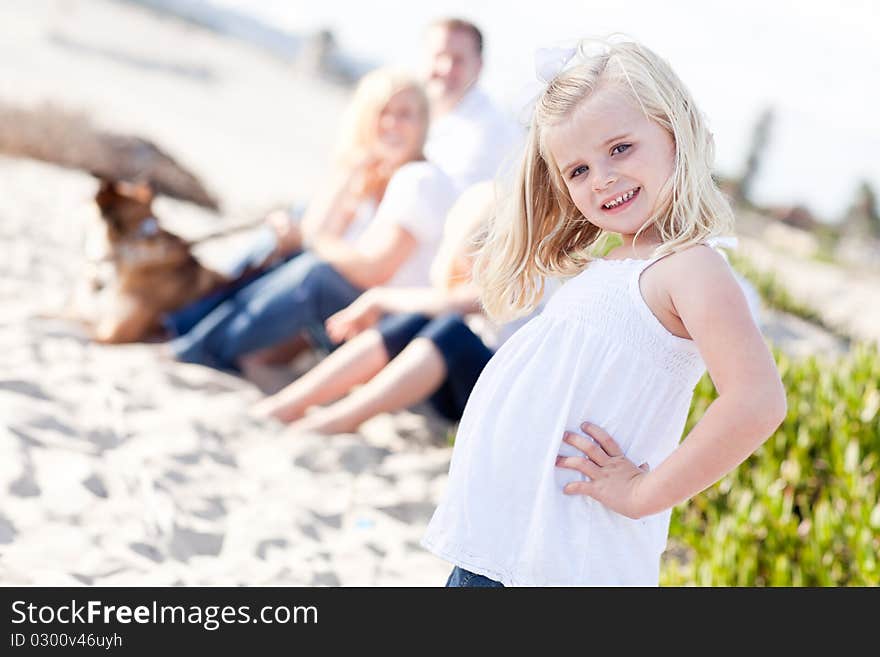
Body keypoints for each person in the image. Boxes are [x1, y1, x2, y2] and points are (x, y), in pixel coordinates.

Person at [420, 38, 787, 587]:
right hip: (509, 543)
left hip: (564, 557)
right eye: (578, 171)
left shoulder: (691, 267)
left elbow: (757, 401)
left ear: (674, 132)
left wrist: (644, 492)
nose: (603, 179)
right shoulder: (614, 262)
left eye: (620, 149)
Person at [167, 69, 457, 372]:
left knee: (316, 274)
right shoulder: (375, 174)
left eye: (405, 114)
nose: (391, 123)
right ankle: (179, 324)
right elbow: (314, 231)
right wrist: (351, 173)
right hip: (349, 312)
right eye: (382, 112)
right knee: (279, 237)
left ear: (423, 123)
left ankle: (201, 349)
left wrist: (311, 239)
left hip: (388, 325)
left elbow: (373, 269)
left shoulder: (421, 180)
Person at [250, 182, 540, 433]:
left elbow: (456, 302)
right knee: (414, 321)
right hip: (461, 388)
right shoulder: (480, 276)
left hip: (504, 405)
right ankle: (289, 403)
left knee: (450, 332)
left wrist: (378, 298)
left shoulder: (529, 280)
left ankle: (340, 418)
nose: (480, 253)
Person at [420, 18, 522, 193]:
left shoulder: (491, 128)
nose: (446, 68)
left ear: (478, 66)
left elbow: (453, 203)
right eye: (439, 56)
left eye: (458, 60)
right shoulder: (412, 114)